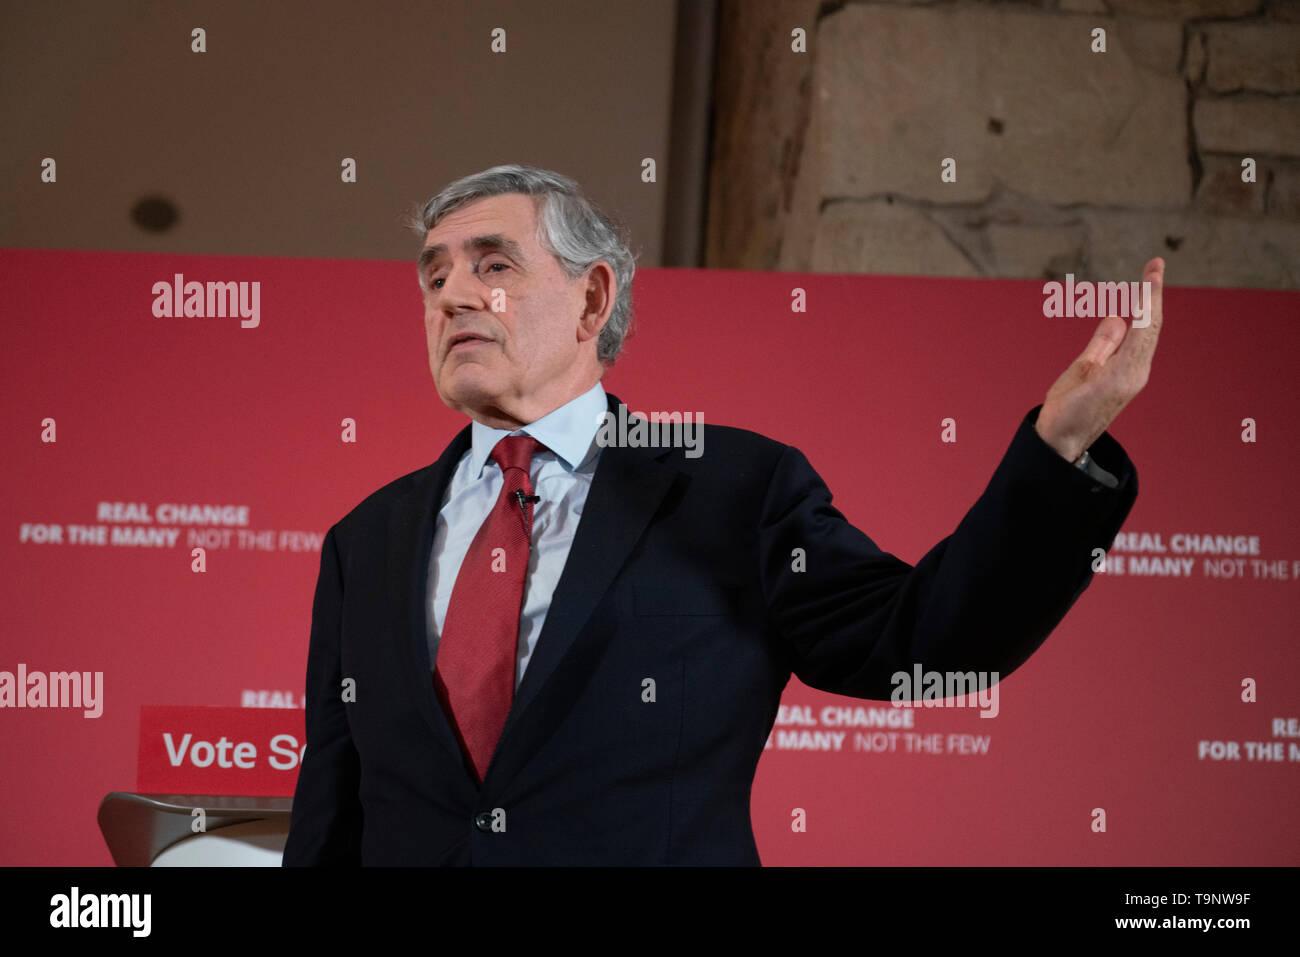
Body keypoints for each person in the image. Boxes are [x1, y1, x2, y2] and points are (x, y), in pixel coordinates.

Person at [283, 164, 1158, 865]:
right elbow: (330, 816)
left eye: (493, 265)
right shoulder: (366, 541)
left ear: (593, 299)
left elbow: (924, 640)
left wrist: (1058, 454)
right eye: (434, 275)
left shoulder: (734, 488)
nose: (452, 295)